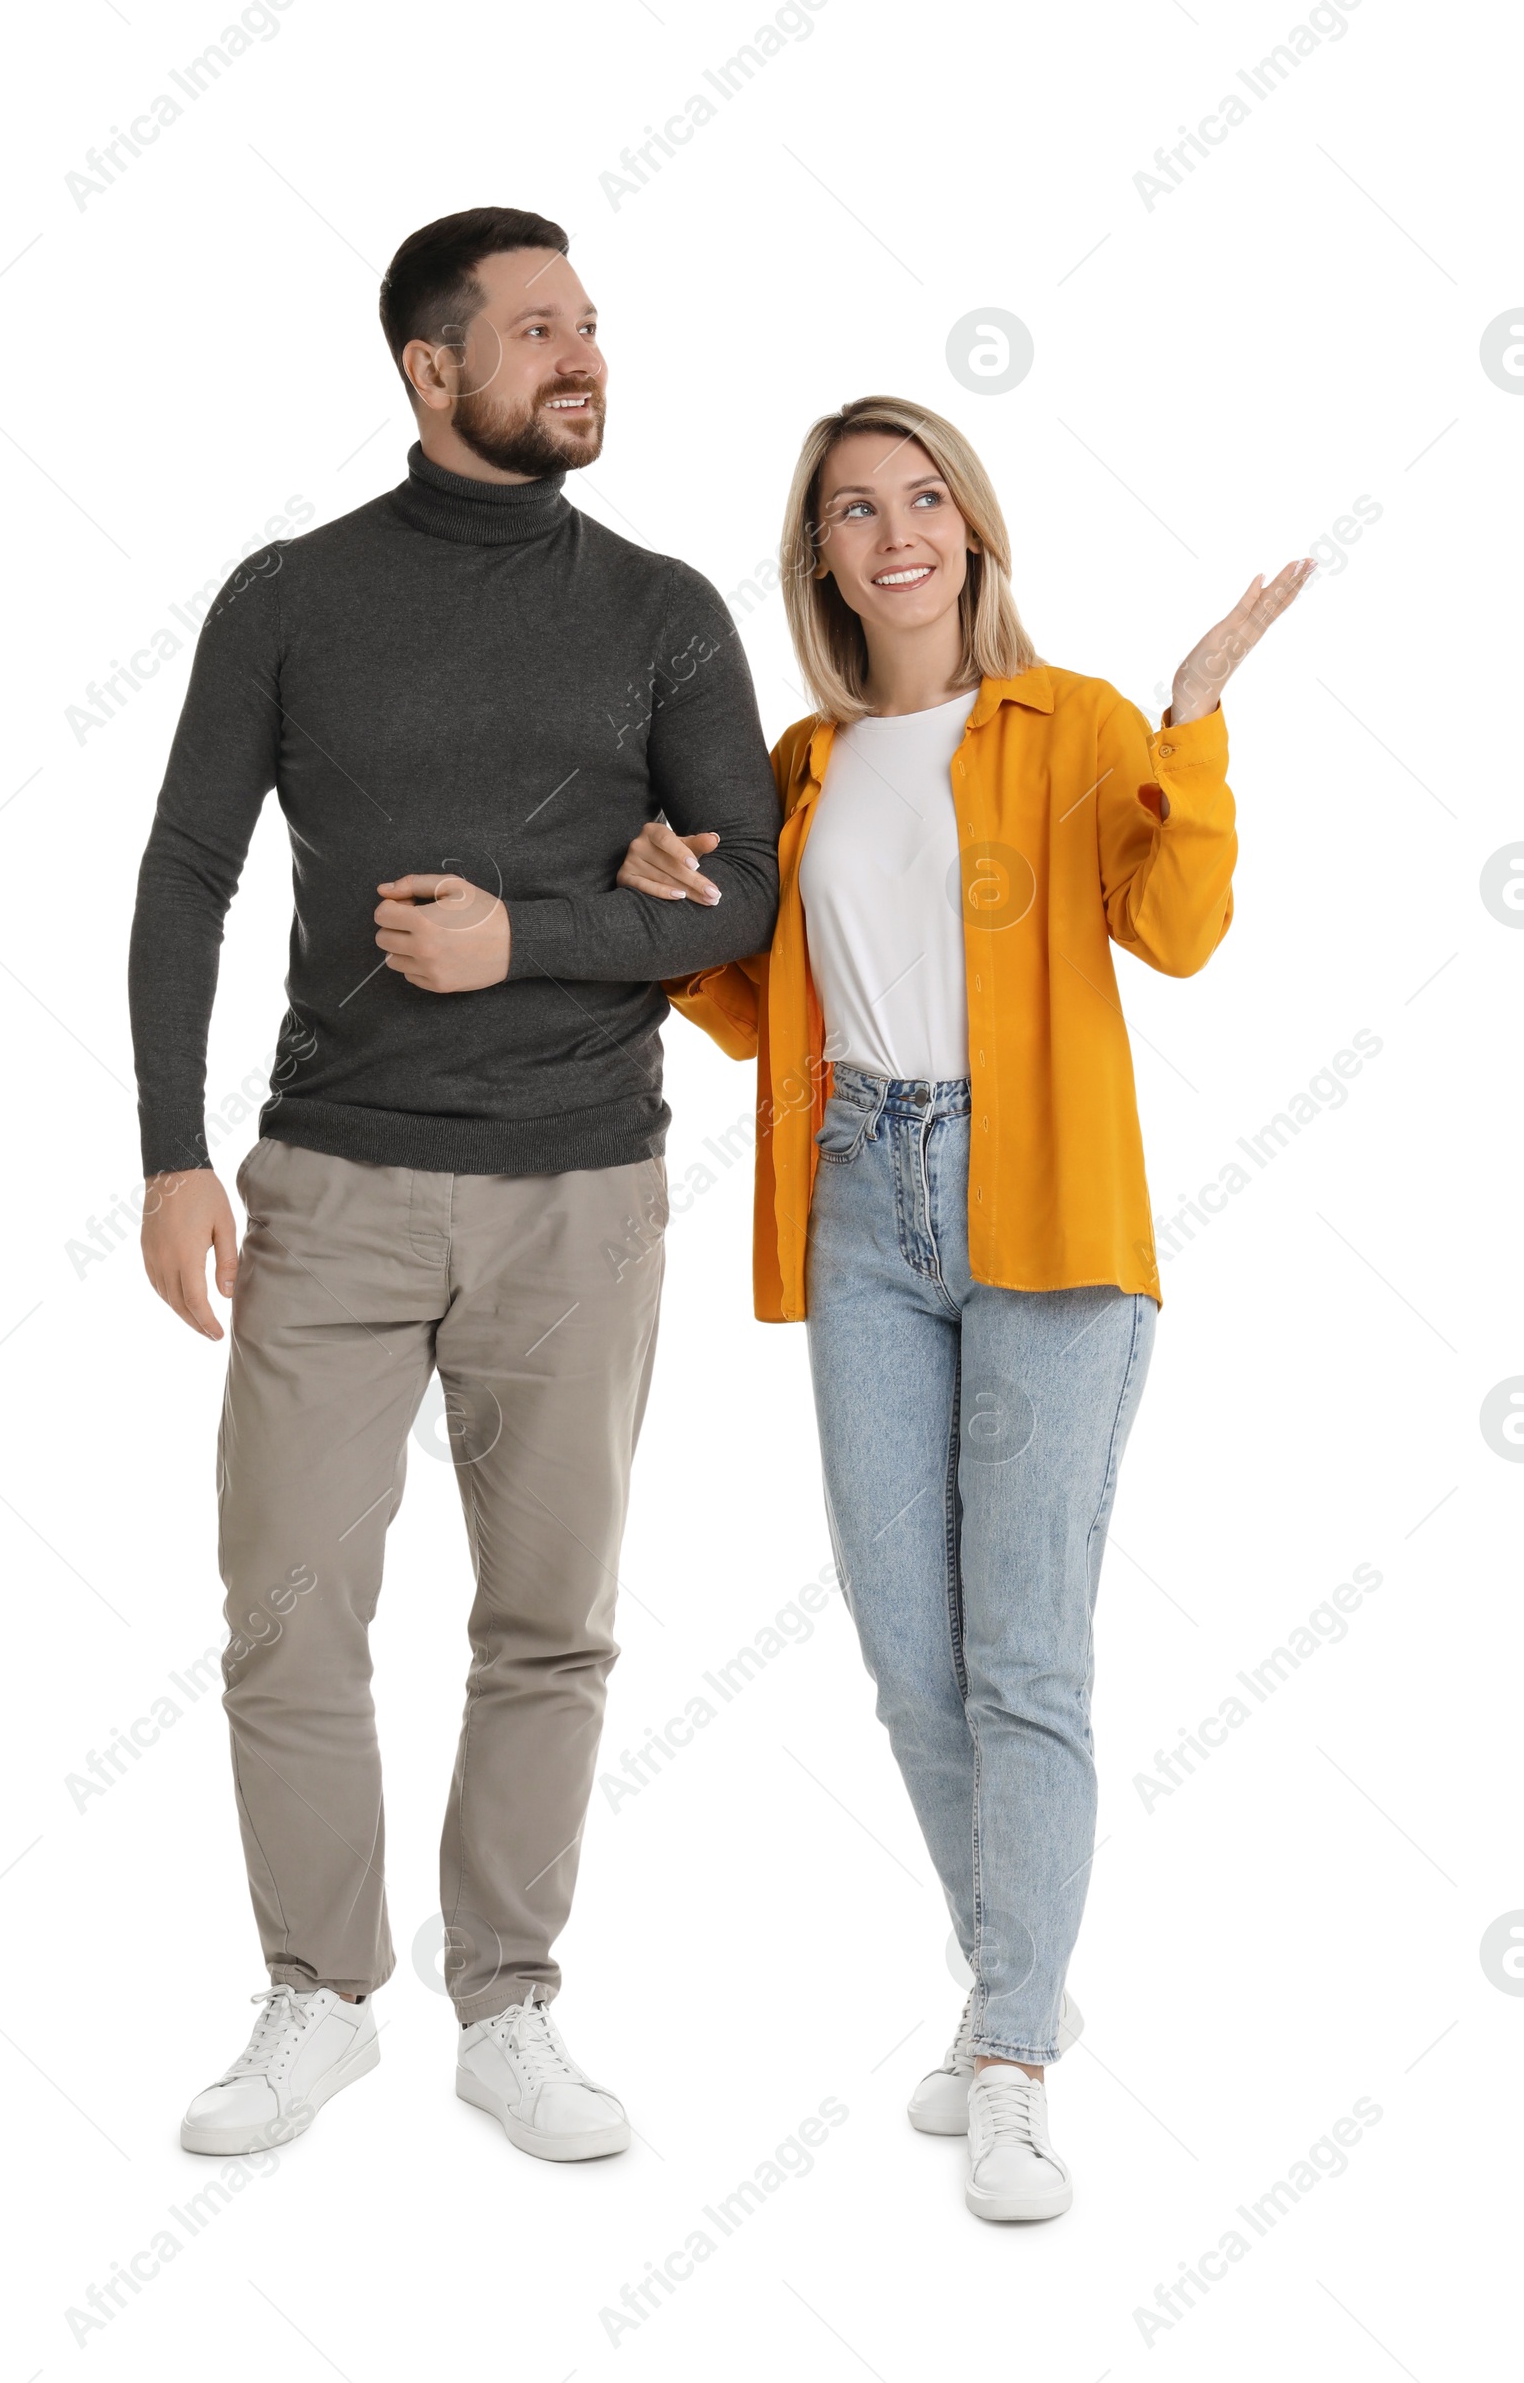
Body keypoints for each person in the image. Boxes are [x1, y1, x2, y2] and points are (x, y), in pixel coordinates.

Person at [129, 206, 779, 2163]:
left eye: (587, 325)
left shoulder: (662, 608)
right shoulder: (289, 597)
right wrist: (169, 1152)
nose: (582, 356)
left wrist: (539, 940)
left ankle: (509, 2006)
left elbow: (741, 896)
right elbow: (184, 873)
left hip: (583, 1198)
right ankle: (317, 1999)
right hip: (330, 1184)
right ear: (432, 371)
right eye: (537, 332)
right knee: (288, 1610)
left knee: (549, 1621)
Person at [616, 393, 1311, 2220]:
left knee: (1027, 1657)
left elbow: (1174, 933)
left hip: (1045, 1209)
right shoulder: (799, 763)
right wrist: (678, 916)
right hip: (863, 1201)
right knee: (908, 1658)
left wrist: (1194, 722)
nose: (896, 532)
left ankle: (1009, 2054)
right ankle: (1022, 1972)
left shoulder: (1066, 723)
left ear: (974, 529)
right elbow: (776, 1012)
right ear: (822, 558)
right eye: (855, 511)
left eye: (925, 498)